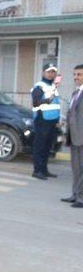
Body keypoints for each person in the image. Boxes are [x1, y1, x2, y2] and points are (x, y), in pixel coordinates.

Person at [31, 64, 61, 180]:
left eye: (53, 72)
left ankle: (44, 169)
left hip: (52, 121)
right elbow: (35, 102)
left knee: (48, 146)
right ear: (43, 72)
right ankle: (37, 170)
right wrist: (48, 100)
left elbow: (56, 104)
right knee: (40, 146)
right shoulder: (39, 86)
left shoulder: (53, 86)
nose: (51, 74)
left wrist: (58, 119)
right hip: (42, 120)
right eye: (48, 72)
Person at [61, 64, 83, 207]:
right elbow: (72, 115)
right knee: (76, 168)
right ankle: (75, 194)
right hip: (74, 137)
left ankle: (81, 198)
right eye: (75, 74)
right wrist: (65, 133)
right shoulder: (76, 93)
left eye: (79, 74)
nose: (76, 77)